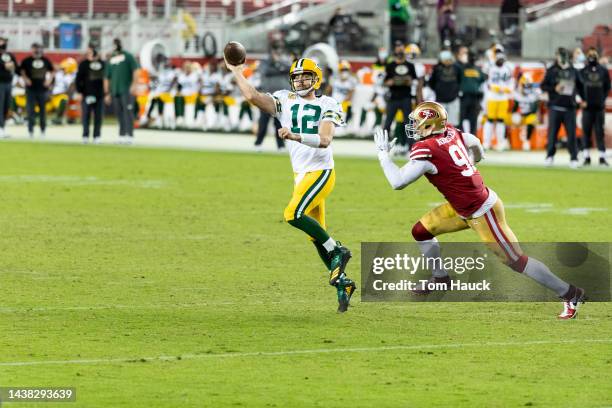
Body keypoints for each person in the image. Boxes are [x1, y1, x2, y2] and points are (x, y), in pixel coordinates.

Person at [373, 101, 585, 319]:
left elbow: (397, 182)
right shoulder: (450, 132)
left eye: (418, 123)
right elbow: (472, 141)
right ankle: (440, 278)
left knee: (516, 260)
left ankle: (570, 293)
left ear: (430, 125)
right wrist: (477, 159)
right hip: (461, 207)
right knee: (421, 232)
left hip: (482, 212)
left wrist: (383, 155)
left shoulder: (427, 149)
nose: (415, 127)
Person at [225, 55, 356, 312]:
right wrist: (237, 71)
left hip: (320, 172)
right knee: (314, 235)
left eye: (305, 75)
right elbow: (252, 96)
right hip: (300, 175)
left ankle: (338, 250)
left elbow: (326, 139)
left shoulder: (328, 102)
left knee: (292, 214)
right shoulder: (284, 99)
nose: (300, 80)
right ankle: (342, 280)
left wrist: (294, 135)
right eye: (296, 76)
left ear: (316, 79)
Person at [541, 47, 582, 168]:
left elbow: (581, 86)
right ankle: (550, 156)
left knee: (571, 135)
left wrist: (581, 99)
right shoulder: (552, 70)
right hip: (555, 106)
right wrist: (554, 89)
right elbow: (543, 86)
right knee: (552, 134)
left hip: (570, 107)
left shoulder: (573, 71)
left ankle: (574, 157)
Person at [383, 40, 418, 154]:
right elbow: (385, 81)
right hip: (393, 97)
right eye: (397, 47)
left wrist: (409, 81)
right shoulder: (390, 65)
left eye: (401, 47)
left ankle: (411, 148)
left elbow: (414, 80)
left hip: (406, 97)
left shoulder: (410, 65)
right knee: (388, 123)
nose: (399, 50)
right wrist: (390, 82)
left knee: (408, 123)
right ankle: (383, 147)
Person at [578, 47, 611, 166]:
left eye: (594, 54)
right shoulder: (582, 71)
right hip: (587, 107)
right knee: (586, 132)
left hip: (599, 107)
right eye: (590, 54)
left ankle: (602, 157)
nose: (592, 56)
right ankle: (586, 156)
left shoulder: (603, 71)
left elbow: (607, 87)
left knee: (599, 132)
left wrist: (602, 99)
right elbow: (578, 88)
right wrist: (582, 100)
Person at [253, 48, 290, 151]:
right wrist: (279, 67)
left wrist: (279, 64)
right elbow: (267, 71)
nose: (277, 55)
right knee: (263, 122)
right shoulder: (265, 63)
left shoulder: (283, 62)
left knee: (279, 123)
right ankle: (258, 144)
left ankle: (281, 146)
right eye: (274, 53)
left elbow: (289, 69)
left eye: (278, 53)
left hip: (281, 99)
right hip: (267, 97)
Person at [104, 38, 139, 144]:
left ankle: (130, 135)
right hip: (115, 90)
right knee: (119, 113)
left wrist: (134, 85)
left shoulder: (128, 56)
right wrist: (107, 92)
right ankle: (122, 135)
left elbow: (136, 70)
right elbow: (107, 77)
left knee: (128, 112)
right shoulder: (112, 59)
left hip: (126, 89)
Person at [20, 43, 54, 139]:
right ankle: (31, 131)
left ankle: (43, 131)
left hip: (42, 90)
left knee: (43, 111)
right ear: (32, 49)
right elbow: (21, 71)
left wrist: (49, 81)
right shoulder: (27, 61)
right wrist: (26, 79)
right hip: (30, 90)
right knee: (30, 111)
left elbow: (52, 71)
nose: (37, 50)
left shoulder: (45, 60)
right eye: (35, 48)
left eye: (38, 48)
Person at [482, 51, 514, 150]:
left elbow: (511, 84)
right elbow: (487, 83)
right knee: (490, 120)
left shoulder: (507, 69)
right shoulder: (490, 68)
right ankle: (486, 142)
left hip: (503, 97)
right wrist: (495, 88)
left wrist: (505, 89)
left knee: (501, 121)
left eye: (502, 60)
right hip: (492, 97)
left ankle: (500, 143)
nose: (500, 62)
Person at [75, 44, 106, 144]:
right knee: (86, 116)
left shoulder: (103, 64)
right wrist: (79, 92)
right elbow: (78, 79)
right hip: (86, 94)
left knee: (98, 116)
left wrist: (107, 93)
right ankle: (85, 135)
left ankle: (97, 136)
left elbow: (107, 79)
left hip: (100, 94)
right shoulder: (83, 64)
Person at [428, 50, 462, 126]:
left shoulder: (457, 68)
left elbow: (460, 81)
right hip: (440, 99)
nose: (447, 62)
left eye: (449, 60)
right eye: (445, 60)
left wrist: (455, 91)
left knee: (453, 123)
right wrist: (438, 90)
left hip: (453, 99)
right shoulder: (436, 69)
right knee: (439, 122)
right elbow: (431, 82)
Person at [459, 50, 485, 134]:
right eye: (471, 56)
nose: (472, 58)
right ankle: (461, 137)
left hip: (475, 97)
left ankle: (473, 138)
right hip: (464, 96)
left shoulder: (478, 69)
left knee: (473, 119)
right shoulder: (462, 68)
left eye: (474, 57)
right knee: (461, 118)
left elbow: (482, 81)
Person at [512, 73, 540, 151]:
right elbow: (515, 107)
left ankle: (527, 141)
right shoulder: (517, 93)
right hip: (520, 115)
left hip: (529, 114)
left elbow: (534, 109)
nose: (526, 87)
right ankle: (506, 141)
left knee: (532, 120)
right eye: (524, 85)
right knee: (508, 119)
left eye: (528, 85)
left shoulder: (534, 94)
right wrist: (514, 115)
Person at [0, 36, 18, 138]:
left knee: (6, 106)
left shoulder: (10, 55)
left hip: (8, 83)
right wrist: (6, 65)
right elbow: (6, 66)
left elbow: (15, 67)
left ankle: (2, 128)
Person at [50, 58, 77, 125]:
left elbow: (71, 88)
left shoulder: (70, 76)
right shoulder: (58, 74)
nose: (63, 69)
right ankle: (59, 118)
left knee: (68, 101)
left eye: (64, 68)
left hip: (63, 95)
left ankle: (68, 118)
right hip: (55, 94)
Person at [331, 60, 357, 126]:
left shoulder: (352, 80)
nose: (344, 71)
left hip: (345, 103)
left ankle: (343, 125)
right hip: (334, 102)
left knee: (347, 106)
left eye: (346, 70)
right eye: (343, 70)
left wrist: (343, 102)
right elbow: (328, 90)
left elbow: (351, 94)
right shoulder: (334, 79)